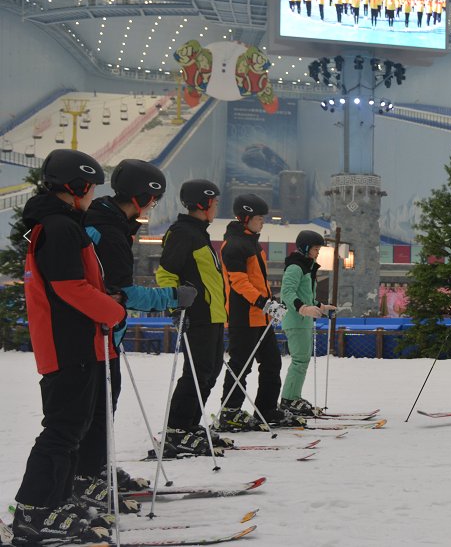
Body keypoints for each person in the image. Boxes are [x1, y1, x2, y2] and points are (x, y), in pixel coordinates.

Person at [12, 150, 126, 545]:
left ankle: (56, 500)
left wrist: (104, 298)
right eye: (91, 187)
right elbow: (68, 287)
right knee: (62, 429)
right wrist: (113, 309)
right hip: (68, 344)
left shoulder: (60, 224)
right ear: (76, 187)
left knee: (74, 428)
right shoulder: (60, 227)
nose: (93, 194)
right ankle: (33, 511)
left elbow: (76, 284)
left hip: (78, 341)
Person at [74, 160, 195, 509]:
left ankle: (95, 470)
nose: (152, 207)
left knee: (98, 411)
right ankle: (88, 477)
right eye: (153, 199)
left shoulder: (104, 220)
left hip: (99, 332)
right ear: (143, 196)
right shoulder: (109, 231)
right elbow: (124, 292)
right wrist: (172, 296)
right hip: (97, 334)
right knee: (97, 411)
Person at [156, 179, 228, 455]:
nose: (216, 207)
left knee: (209, 372)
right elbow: (165, 273)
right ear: (203, 202)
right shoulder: (183, 233)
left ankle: (188, 424)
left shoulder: (199, 233)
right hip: (197, 315)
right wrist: (175, 309)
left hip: (212, 315)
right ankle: (177, 428)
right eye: (214, 202)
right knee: (196, 374)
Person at [218, 194, 301, 430]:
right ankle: (230, 411)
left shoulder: (251, 242)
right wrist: (264, 303)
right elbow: (239, 283)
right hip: (243, 317)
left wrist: (270, 302)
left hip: (261, 317)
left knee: (272, 363)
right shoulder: (234, 245)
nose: (262, 222)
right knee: (241, 365)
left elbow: (258, 281)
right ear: (245, 218)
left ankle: (267, 409)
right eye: (258, 218)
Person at [279, 230, 336, 416]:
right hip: (296, 320)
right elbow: (287, 293)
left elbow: (306, 296)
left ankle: (293, 396)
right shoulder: (296, 267)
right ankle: (289, 399)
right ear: (305, 248)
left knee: (302, 360)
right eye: (315, 249)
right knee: (300, 360)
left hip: (303, 320)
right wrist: (303, 309)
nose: (318, 252)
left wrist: (321, 306)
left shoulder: (306, 267)